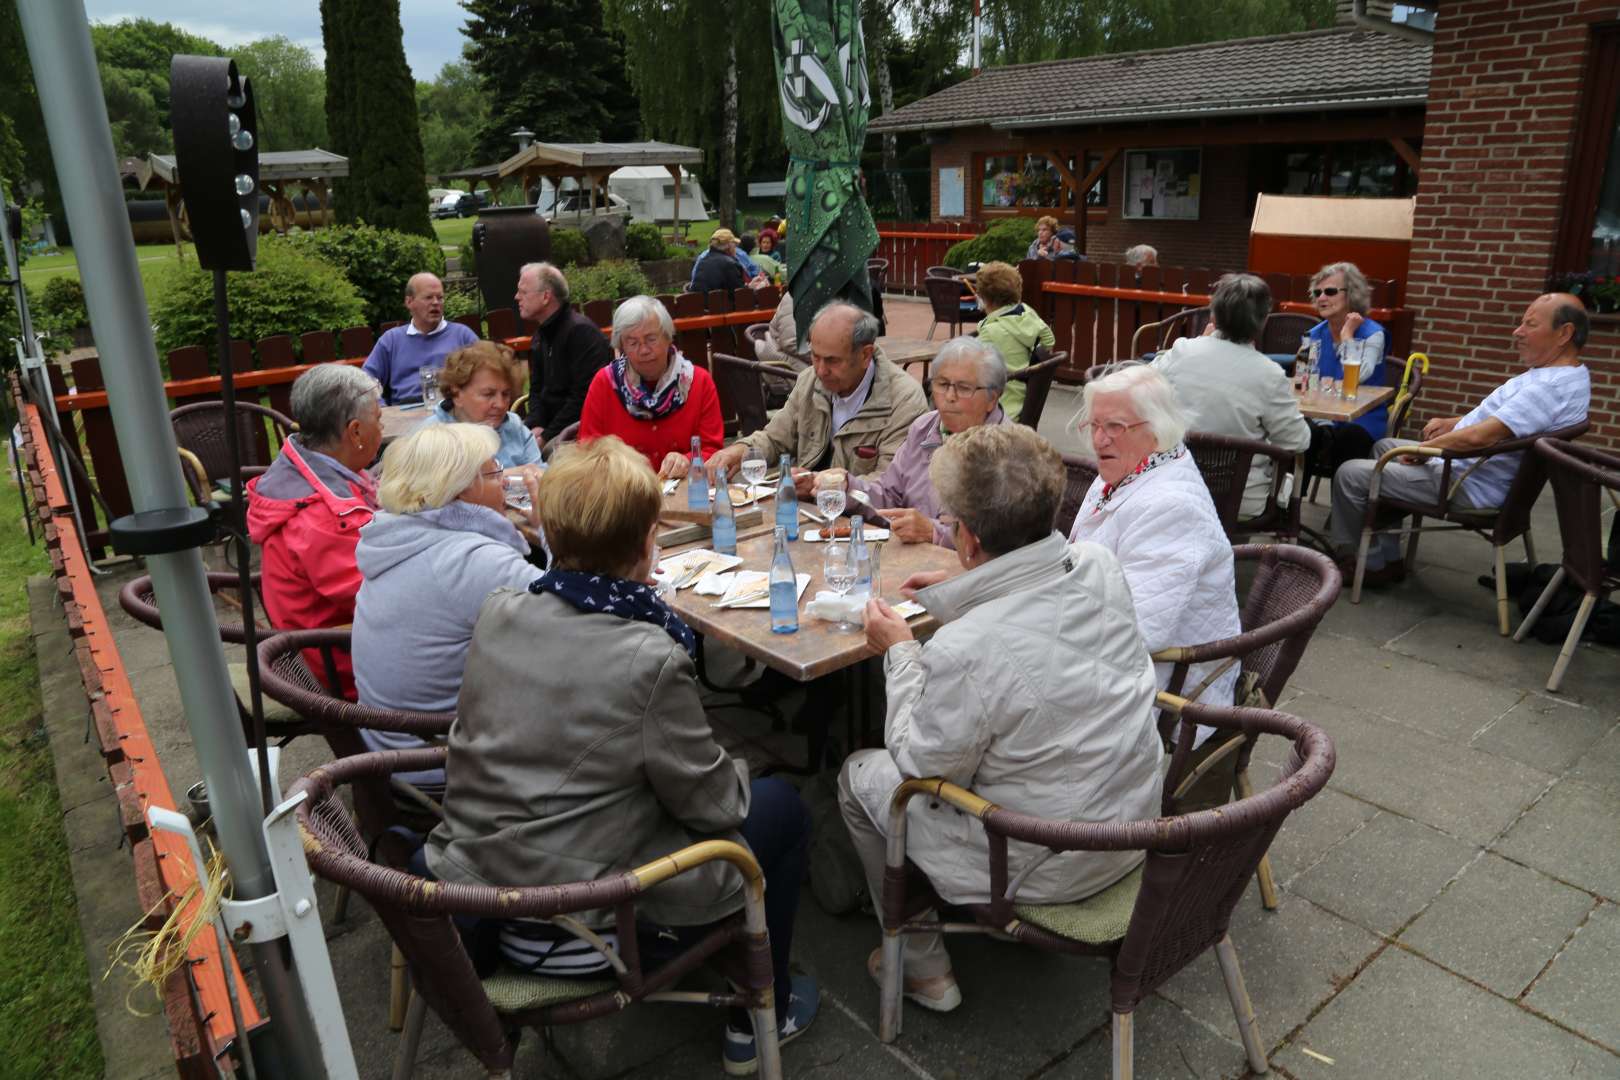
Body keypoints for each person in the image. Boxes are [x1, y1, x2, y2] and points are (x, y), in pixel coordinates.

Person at [424, 436, 819, 1075]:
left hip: (478, 893)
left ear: (548, 532)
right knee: (779, 808)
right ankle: (755, 1013)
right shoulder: (650, 653)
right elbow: (715, 803)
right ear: (647, 546)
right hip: (588, 927)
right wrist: (739, 773)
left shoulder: (501, 610)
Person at [842, 423, 1164, 1012]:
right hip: (1133, 827)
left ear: (965, 537)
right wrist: (971, 585)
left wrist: (898, 651)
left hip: (1046, 863)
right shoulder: (1097, 563)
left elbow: (920, 764)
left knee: (862, 774)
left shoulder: (967, 648)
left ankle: (919, 962)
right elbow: (1037, 610)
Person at [1330, 293, 1592, 586]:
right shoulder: (1568, 376)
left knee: (1350, 474)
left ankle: (1363, 563)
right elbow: (1501, 420)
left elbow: (1482, 436)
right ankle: (1385, 557)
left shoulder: (1549, 388)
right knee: (1381, 448)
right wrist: (1453, 423)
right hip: (1475, 469)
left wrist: (1426, 450)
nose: (1517, 332)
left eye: (1529, 325)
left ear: (1564, 333)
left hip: (1466, 481)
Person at [351, 423, 540, 793]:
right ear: (461, 488)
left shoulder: (397, 537)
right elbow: (577, 617)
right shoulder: (469, 559)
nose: (504, 481)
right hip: (441, 762)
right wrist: (553, 529)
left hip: (388, 749)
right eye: (494, 471)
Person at [1067, 363, 1241, 714]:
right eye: (1095, 425)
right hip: (1108, 661)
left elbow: (1140, 631)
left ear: (1159, 430)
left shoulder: (1172, 506)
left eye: (1115, 426)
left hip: (1166, 694)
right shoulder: (1126, 469)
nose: (1100, 439)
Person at [246, 364, 383, 697]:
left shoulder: (308, 468)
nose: (382, 426)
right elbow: (381, 599)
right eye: (378, 418)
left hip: (320, 642)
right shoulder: (323, 518)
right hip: (345, 670)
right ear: (355, 432)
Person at [706, 301, 928, 491]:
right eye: (815, 356)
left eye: (832, 360)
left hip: (867, 528)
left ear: (865, 355)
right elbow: (775, 438)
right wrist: (741, 450)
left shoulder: (904, 400)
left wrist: (824, 484)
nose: (820, 370)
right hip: (807, 517)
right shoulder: (809, 380)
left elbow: (890, 485)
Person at [1152, 274, 1311, 518]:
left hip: (1172, 486)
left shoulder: (1182, 350)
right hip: (1237, 502)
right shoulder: (1269, 374)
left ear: (1213, 316)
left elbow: (1142, 392)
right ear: (1263, 321)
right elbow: (1297, 441)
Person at [833, 336, 1007, 548]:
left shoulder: (1010, 449)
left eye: (964, 388)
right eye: (942, 384)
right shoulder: (924, 428)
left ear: (992, 398)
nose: (950, 396)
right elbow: (888, 495)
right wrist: (845, 487)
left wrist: (934, 532)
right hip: (912, 562)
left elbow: (1002, 539)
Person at [577, 295, 724, 476]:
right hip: (626, 494)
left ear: (668, 337)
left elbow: (714, 451)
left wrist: (687, 460)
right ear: (621, 345)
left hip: (686, 492)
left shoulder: (698, 382)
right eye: (632, 342)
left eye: (651, 339)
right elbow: (588, 452)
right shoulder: (605, 383)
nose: (644, 350)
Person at [1304, 261, 1389, 474]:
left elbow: (1359, 375)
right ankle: (1290, 501)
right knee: (1301, 431)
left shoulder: (1373, 334)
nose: (1322, 298)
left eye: (1330, 291)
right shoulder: (1314, 334)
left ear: (1351, 294)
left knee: (1350, 437)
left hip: (1362, 416)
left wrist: (1347, 337)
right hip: (1325, 411)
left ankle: (1343, 507)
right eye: (1318, 292)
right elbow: (1308, 377)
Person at [518, 262, 614, 446]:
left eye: (523, 292)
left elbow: (584, 399)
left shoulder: (582, 334)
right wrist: (535, 424)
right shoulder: (541, 336)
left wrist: (545, 436)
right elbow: (536, 391)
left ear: (546, 296)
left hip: (578, 434)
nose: (517, 297)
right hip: (549, 429)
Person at [361, 272, 481, 405]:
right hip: (404, 412)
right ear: (409, 302)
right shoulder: (392, 340)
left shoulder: (462, 335)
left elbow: (486, 372)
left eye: (440, 298)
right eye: (428, 297)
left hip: (451, 410)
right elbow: (365, 380)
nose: (435, 303)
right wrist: (381, 409)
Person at [424, 340, 542, 470]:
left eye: (506, 394)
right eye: (488, 394)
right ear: (456, 394)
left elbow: (541, 475)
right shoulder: (430, 438)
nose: (500, 404)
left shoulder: (514, 426)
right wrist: (516, 474)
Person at [971, 260, 1055, 422]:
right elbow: (1049, 340)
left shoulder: (990, 332)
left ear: (982, 296)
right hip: (1023, 400)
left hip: (1000, 407)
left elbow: (971, 371)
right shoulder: (1026, 313)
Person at [690, 228, 763, 293]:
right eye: (734, 244)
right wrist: (751, 287)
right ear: (729, 245)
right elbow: (739, 294)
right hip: (721, 306)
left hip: (700, 305)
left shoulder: (703, 260)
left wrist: (749, 286)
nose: (736, 247)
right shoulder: (730, 264)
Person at [754, 290, 810, 371]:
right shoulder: (794, 298)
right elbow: (791, 343)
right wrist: (827, 354)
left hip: (803, 359)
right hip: (789, 365)